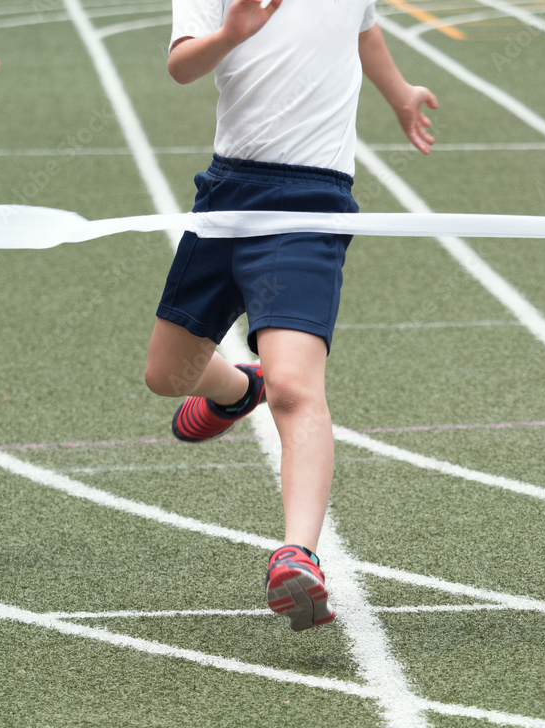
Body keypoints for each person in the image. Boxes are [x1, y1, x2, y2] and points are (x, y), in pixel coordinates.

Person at [145, 0, 438, 631]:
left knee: (296, 389)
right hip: (229, 194)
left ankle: (297, 554)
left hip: (313, 200)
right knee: (167, 374)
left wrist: (400, 93)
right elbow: (180, 67)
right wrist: (232, 32)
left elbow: (363, 28)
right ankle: (235, 388)